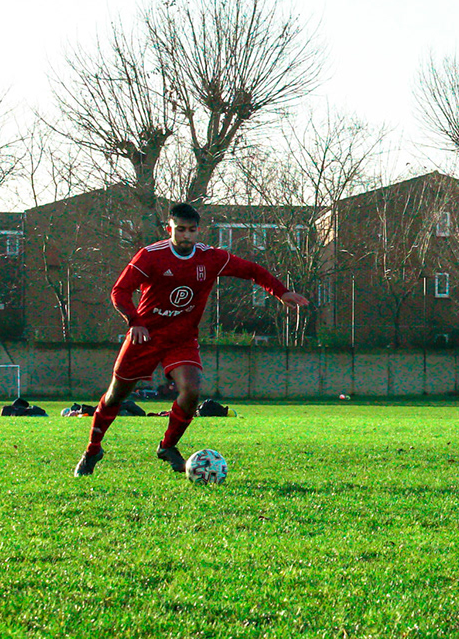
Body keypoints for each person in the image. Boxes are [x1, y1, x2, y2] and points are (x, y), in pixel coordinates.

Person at [74, 203, 309, 477]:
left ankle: (167, 446)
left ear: (199, 230)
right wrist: (135, 321)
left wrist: (280, 292)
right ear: (169, 229)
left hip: (181, 338)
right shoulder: (150, 256)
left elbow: (252, 270)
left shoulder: (210, 258)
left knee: (192, 390)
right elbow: (120, 291)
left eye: (191, 230)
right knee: (116, 395)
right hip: (145, 336)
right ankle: (92, 450)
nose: (186, 235)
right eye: (181, 229)